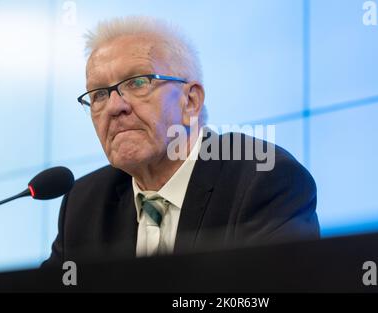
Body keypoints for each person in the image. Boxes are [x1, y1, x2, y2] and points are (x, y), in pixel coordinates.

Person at [42, 16, 319, 267]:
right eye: (99, 94)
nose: (115, 107)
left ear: (191, 101)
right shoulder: (83, 205)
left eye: (137, 82)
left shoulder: (264, 181)